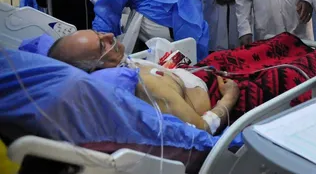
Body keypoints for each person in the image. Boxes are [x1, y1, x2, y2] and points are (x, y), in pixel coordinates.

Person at [47, 30, 239, 135]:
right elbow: (203, 129)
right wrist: (230, 97)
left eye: (98, 33)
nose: (109, 35)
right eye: (101, 45)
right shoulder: (144, 86)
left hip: (205, 71)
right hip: (224, 96)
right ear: (95, 67)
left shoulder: (123, 64)